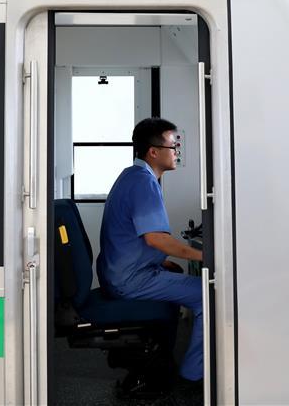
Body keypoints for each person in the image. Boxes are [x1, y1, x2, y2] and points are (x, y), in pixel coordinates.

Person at [97, 117, 204, 384]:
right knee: (207, 295)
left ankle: (167, 357)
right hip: (131, 280)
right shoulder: (143, 182)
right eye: (173, 146)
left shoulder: (132, 176)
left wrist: (162, 261)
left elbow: (136, 239)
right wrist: (206, 256)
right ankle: (193, 374)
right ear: (153, 152)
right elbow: (156, 239)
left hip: (120, 274)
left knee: (177, 271)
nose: (177, 152)